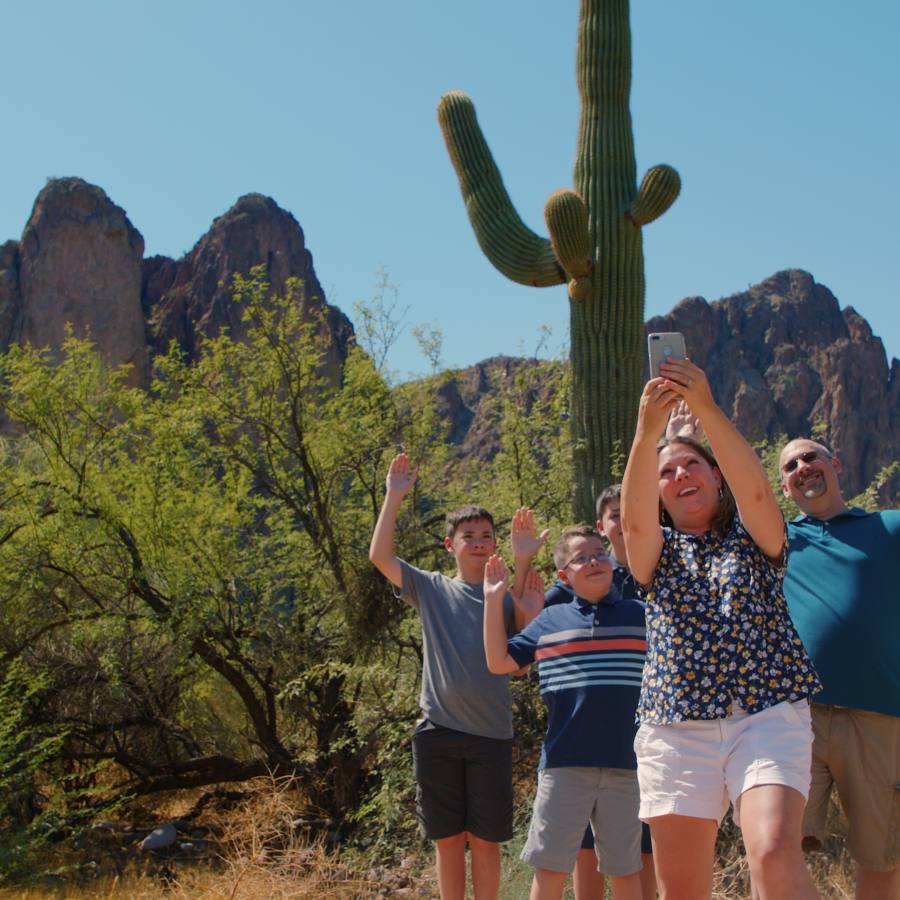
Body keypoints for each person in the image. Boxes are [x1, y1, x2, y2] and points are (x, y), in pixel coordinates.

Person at [621, 358, 822, 900]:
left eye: (691, 464)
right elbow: (634, 522)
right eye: (666, 473)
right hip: (675, 725)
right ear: (658, 492)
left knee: (776, 854)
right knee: (682, 891)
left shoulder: (756, 538)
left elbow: (757, 493)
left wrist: (705, 409)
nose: (680, 475)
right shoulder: (654, 554)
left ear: (715, 475)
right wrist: (647, 434)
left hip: (767, 712)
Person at [369, 452, 517, 900]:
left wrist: (525, 566)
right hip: (437, 731)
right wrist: (394, 498)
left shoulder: (506, 598)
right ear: (449, 545)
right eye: (467, 535)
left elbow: (526, 653)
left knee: (487, 841)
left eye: (486, 536)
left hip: (492, 734)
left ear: (495, 545)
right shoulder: (431, 588)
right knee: (448, 839)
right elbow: (380, 556)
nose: (478, 542)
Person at [485, 527, 646, 900]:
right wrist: (494, 599)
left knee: (625, 869)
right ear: (564, 576)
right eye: (580, 557)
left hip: (629, 766)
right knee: (552, 868)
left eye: (598, 553)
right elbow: (498, 662)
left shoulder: (642, 615)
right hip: (564, 765)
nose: (593, 561)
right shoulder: (549, 620)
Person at [779, 437, 900, 900]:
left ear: (838, 463)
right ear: (785, 486)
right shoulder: (777, 539)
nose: (803, 467)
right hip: (793, 718)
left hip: (877, 715)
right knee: (774, 844)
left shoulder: (888, 528)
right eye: (791, 465)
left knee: (880, 857)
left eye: (812, 456)